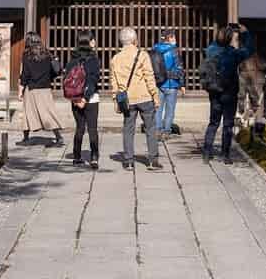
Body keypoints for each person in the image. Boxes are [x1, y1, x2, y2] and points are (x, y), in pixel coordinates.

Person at [109, 26, 162, 171]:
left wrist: (115, 99)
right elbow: (149, 77)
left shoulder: (115, 59)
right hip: (144, 96)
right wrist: (155, 95)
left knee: (128, 129)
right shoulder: (142, 55)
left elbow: (114, 81)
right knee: (150, 128)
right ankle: (153, 160)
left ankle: (129, 161)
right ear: (134, 40)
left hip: (127, 99)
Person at [201, 22, 253, 164]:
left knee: (213, 122)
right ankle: (225, 154)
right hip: (229, 92)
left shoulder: (210, 50)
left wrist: (223, 33)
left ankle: (207, 152)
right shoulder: (233, 54)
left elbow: (215, 44)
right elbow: (249, 49)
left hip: (214, 90)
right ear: (230, 39)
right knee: (228, 124)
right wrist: (245, 33)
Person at [63, 31, 102, 168]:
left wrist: (76, 99)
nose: (95, 42)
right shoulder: (94, 60)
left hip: (75, 99)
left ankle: (77, 156)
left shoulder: (72, 60)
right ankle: (94, 157)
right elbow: (93, 80)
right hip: (91, 99)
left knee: (79, 128)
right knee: (92, 128)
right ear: (89, 42)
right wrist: (85, 98)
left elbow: (67, 81)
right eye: (93, 40)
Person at [18, 31, 63, 147]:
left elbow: (25, 74)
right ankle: (58, 137)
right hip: (45, 88)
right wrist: (48, 79)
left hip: (32, 88)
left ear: (28, 41)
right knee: (48, 112)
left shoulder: (27, 55)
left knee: (28, 113)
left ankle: (25, 138)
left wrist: (20, 90)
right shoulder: (47, 53)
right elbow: (53, 71)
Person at [151, 28, 184, 139]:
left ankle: (157, 130)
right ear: (169, 38)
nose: (175, 39)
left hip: (159, 83)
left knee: (158, 108)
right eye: (174, 37)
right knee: (170, 110)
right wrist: (182, 84)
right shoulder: (174, 51)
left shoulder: (155, 49)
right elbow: (179, 68)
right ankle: (166, 131)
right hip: (172, 83)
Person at [238, 45, 266, 142]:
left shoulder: (251, 59)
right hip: (249, 82)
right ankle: (246, 122)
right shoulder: (245, 59)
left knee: (256, 107)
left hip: (254, 83)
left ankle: (254, 130)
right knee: (251, 103)